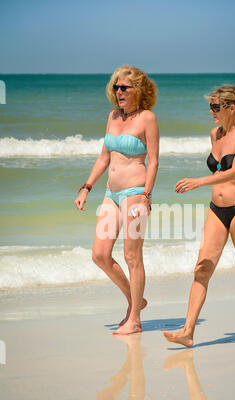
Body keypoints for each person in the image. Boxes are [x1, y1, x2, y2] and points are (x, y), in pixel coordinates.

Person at [163, 84, 235, 347]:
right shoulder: (215, 133)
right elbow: (218, 170)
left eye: (215, 107)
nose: (211, 112)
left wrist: (198, 182)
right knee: (202, 268)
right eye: (210, 106)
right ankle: (188, 332)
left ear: (231, 108)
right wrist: (207, 183)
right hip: (217, 210)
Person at [75, 65, 159, 335]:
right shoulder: (112, 116)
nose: (119, 92)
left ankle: (134, 319)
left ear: (139, 90)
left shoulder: (148, 118)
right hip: (111, 194)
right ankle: (136, 301)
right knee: (100, 254)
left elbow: (154, 161)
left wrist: (147, 196)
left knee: (132, 256)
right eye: (116, 87)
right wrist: (87, 187)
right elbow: (104, 157)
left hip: (135, 194)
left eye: (124, 87)